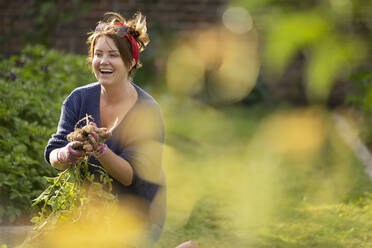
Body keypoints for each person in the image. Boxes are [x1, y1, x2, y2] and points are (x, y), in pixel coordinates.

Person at [44, 11, 166, 247]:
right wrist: (68, 153)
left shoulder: (147, 111)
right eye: (98, 54)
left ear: (130, 62)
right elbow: (53, 153)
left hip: (138, 216)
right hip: (89, 211)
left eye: (113, 55)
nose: (104, 61)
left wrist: (100, 149)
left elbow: (134, 178)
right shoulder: (78, 100)